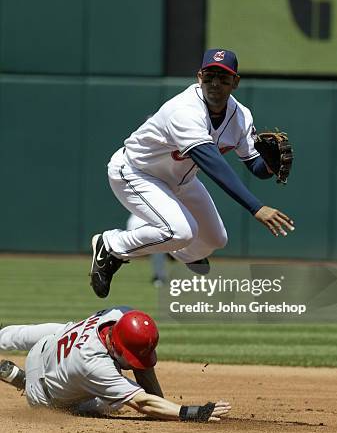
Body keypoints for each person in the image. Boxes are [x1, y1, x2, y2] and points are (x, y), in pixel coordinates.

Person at [90, 48, 295, 298]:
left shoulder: (241, 116)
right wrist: (256, 207)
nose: (215, 83)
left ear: (235, 82)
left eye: (223, 77)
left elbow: (256, 166)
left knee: (216, 240)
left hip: (182, 180)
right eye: (209, 76)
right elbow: (212, 164)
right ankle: (111, 245)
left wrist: (270, 165)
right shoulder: (184, 110)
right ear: (199, 77)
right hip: (136, 173)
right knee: (180, 231)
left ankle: (184, 253)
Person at [0, 307, 230, 422]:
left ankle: (4, 342)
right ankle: (23, 380)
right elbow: (142, 402)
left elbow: (141, 360)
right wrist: (190, 412)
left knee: (58, 328)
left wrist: (160, 405)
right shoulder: (94, 364)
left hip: (47, 345)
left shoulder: (120, 314)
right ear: (115, 345)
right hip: (43, 398)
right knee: (110, 403)